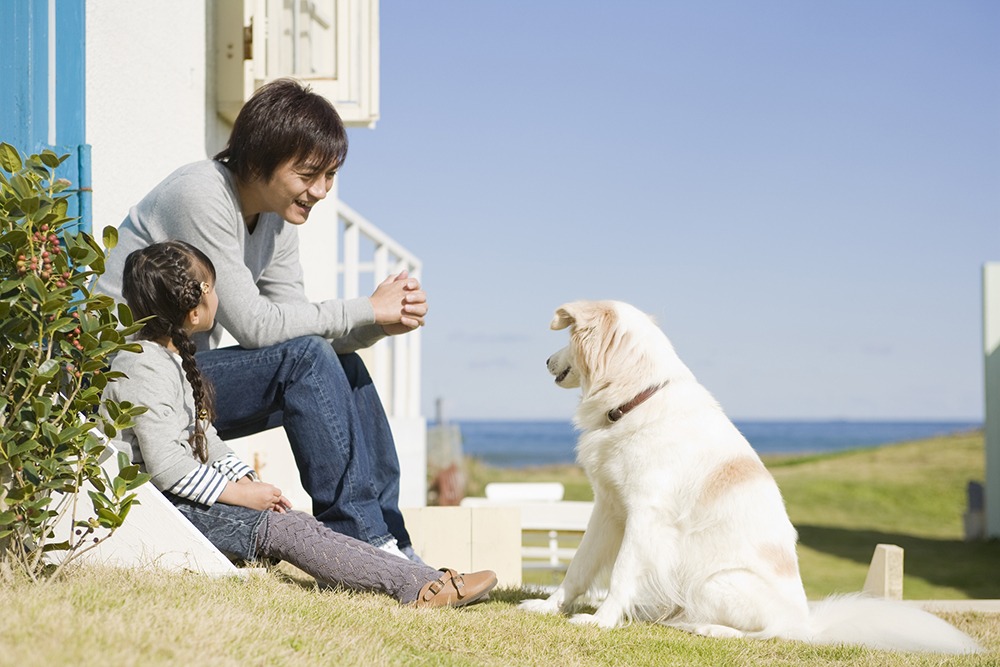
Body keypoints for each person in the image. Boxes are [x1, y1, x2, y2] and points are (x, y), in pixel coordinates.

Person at [98, 78, 424, 560]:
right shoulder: (200, 194)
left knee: (344, 368)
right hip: (132, 386)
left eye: (330, 175)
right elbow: (257, 326)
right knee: (310, 358)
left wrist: (378, 324)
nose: (321, 190)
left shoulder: (276, 214)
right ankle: (363, 543)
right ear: (258, 158)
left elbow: (294, 327)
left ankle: (392, 542)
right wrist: (366, 306)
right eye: (309, 174)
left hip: (187, 382)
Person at [102, 240, 497, 608]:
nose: (219, 296)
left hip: (182, 500)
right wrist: (239, 496)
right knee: (290, 532)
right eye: (214, 287)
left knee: (296, 523)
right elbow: (167, 467)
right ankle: (416, 587)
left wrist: (245, 480)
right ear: (195, 308)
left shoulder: (167, 360)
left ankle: (420, 577)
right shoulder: (142, 366)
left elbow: (206, 436)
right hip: (164, 508)